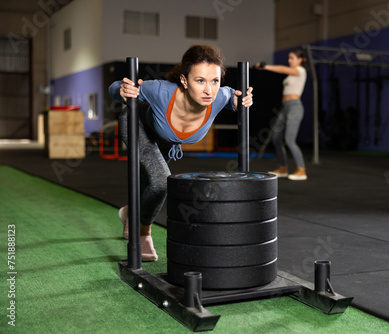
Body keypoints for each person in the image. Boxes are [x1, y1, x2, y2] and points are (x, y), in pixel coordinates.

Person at [109, 45, 253, 261]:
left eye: (215, 81)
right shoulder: (161, 90)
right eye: (200, 81)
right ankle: (143, 232)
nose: (209, 90)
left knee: (149, 182)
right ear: (185, 81)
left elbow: (233, 95)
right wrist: (121, 90)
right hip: (138, 125)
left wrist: (241, 101)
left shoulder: (219, 97)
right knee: (160, 182)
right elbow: (115, 88)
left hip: (166, 138)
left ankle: (130, 212)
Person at [256, 49, 308, 181]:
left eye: (292, 58)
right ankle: (283, 168)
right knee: (276, 138)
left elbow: (282, 69)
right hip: (285, 107)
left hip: (295, 107)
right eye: (289, 58)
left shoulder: (300, 71)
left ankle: (301, 170)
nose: (290, 60)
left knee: (290, 140)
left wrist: (266, 66)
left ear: (299, 60)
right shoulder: (292, 75)